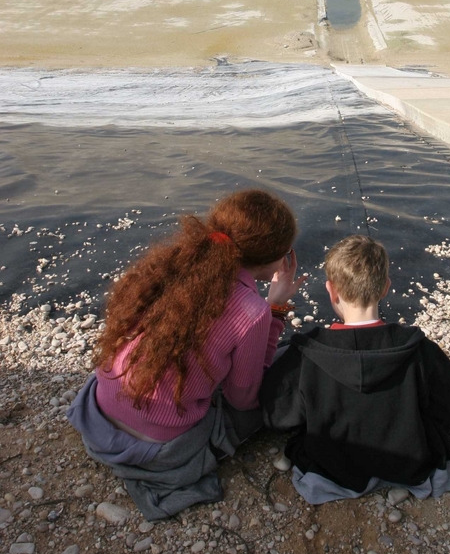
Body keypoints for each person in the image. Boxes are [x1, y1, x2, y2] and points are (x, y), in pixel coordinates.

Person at [67, 188, 302, 519]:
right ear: (271, 257)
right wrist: (275, 309)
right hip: (159, 446)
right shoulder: (252, 311)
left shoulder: (171, 265)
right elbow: (242, 397)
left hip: (100, 412)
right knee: (274, 381)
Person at [260, 234, 450, 505]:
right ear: (385, 288)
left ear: (331, 290)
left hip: (331, 463)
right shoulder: (416, 346)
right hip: (409, 460)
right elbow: (449, 401)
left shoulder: (307, 351)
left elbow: (277, 415)